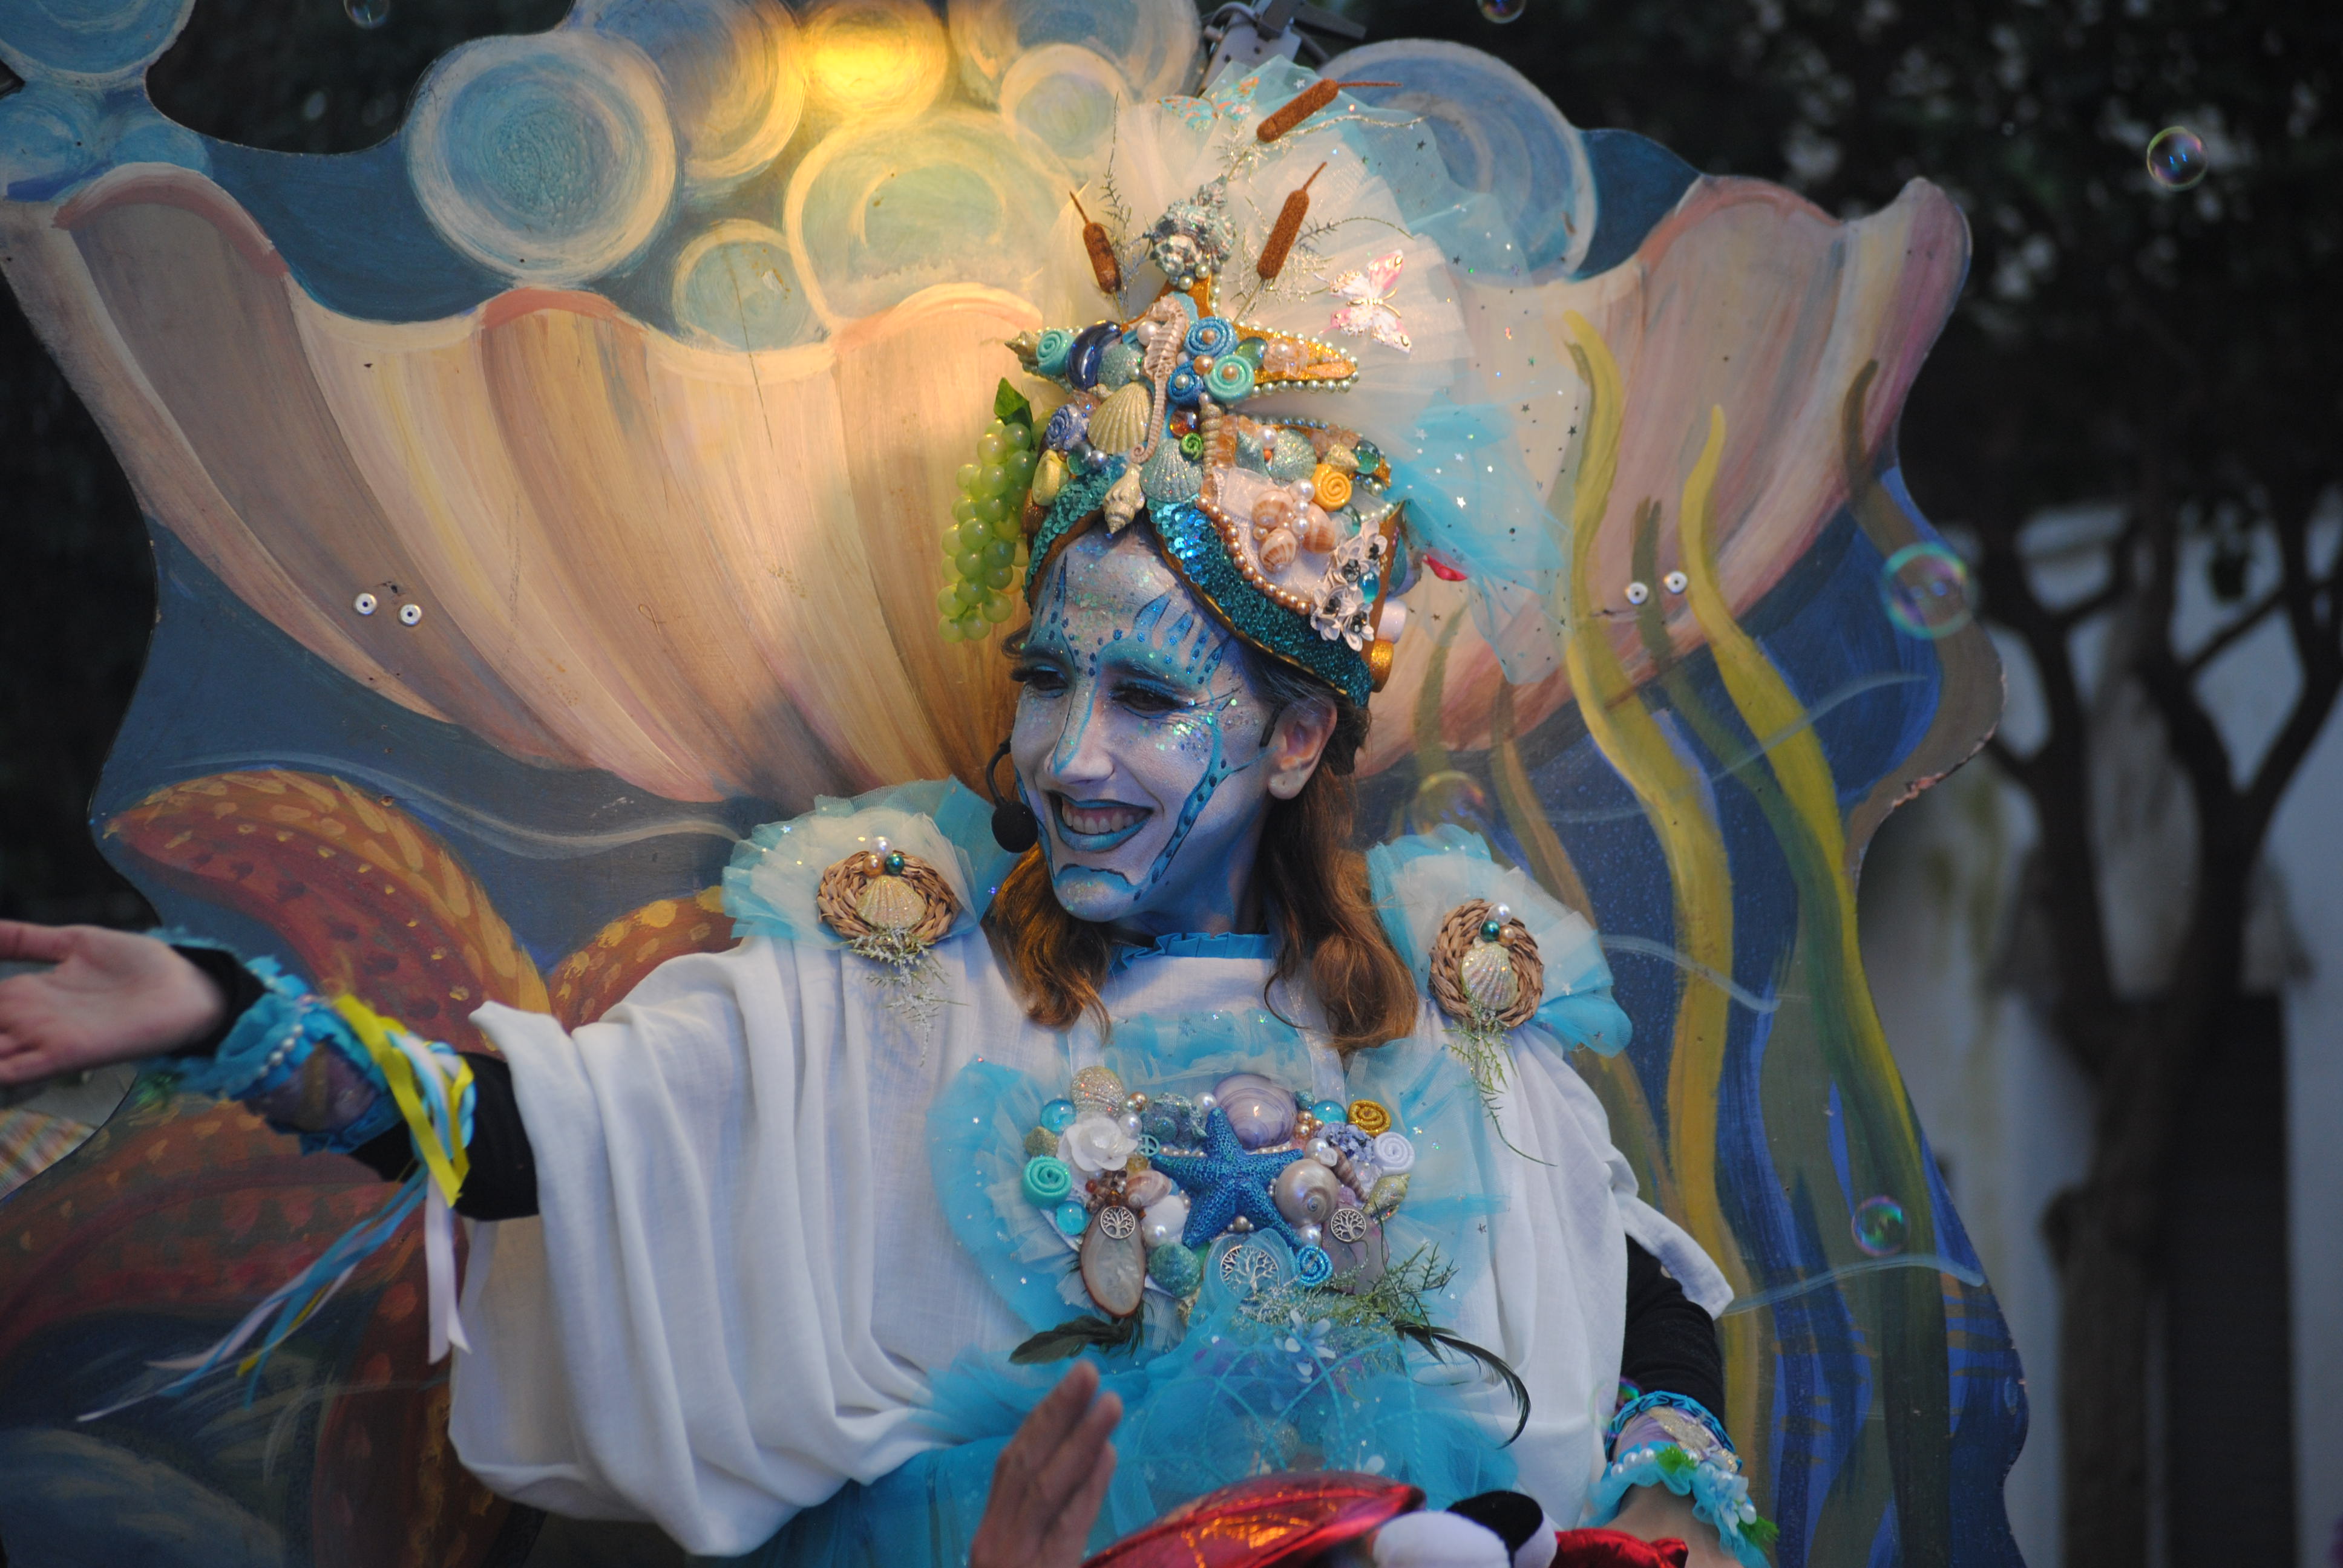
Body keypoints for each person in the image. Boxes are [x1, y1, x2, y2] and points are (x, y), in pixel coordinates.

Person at [0, 68, 1773, 1568]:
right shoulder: (894, 996)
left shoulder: (1444, 1040)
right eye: (1047, 679)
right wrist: (227, 1016)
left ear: (1299, 734)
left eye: (1148, 702)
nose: (1069, 754)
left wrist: (1667, 1504)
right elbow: (557, 1140)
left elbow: (1634, 1283)